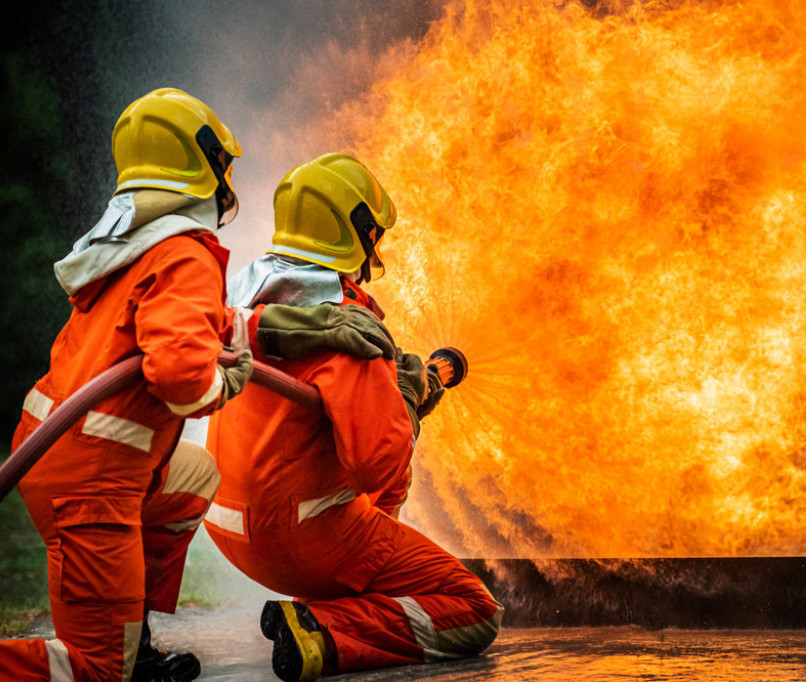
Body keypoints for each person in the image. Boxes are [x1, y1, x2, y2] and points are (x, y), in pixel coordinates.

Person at [0, 90, 396, 682]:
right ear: (204, 166)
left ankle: (133, 640)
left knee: (193, 479)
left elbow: (189, 323)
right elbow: (181, 377)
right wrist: (223, 379)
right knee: (91, 671)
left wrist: (283, 324)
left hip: (59, 457)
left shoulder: (128, 249)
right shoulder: (185, 254)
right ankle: (115, 658)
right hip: (92, 484)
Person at [204, 153, 504, 682]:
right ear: (357, 232)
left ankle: (326, 605)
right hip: (301, 542)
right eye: (374, 235)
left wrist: (388, 392)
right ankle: (320, 630)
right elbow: (378, 467)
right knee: (472, 609)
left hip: (227, 528)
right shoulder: (345, 327)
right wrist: (407, 398)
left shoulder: (242, 301)